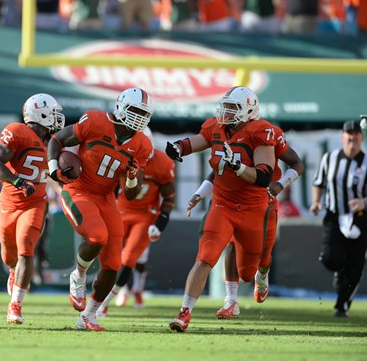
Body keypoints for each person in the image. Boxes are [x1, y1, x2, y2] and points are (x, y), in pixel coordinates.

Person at [164, 86, 276, 332]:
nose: (226, 111)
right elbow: (199, 141)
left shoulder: (261, 132)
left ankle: (258, 277)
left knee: (247, 272)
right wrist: (179, 147)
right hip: (222, 205)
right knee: (206, 256)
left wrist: (239, 168)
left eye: (233, 107)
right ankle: (184, 313)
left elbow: (264, 176)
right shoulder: (216, 127)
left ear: (248, 110)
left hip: (252, 209)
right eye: (226, 105)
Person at [47, 87, 153, 331]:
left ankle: (89, 316)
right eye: (135, 110)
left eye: (143, 113)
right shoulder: (95, 121)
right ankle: (79, 275)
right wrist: (54, 168)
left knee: (114, 264)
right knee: (97, 236)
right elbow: (57, 139)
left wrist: (131, 177)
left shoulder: (142, 144)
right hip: (78, 190)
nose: (138, 117)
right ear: (121, 107)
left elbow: (132, 194)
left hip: (107, 198)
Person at [187, 123, 304, 319]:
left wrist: (280, 184)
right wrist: (200, 194)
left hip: (264, 202)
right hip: (234, 203)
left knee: (263, 257)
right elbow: (218, 171)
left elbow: (297, 164)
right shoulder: (229, 135)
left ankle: (262, 275)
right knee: (231, 245)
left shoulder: (266, 134)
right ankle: (231, 300)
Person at [0, 93, 65, 325]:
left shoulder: (54, 141)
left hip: (35, 203)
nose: (57, 119)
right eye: (53, 113)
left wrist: (66, 192)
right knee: (9, 254)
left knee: (26, 249)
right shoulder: (18, 131)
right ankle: (14, 272)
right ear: (39, 114)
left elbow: (54, 175)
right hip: (10, 202)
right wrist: (18, 181)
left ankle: (15, 305)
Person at [96, 127, 175, 316]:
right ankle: (106, 293)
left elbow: (169, 197)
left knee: (129, 258)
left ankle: (104, 302)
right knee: (109, 257)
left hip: (145, 216)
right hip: (119, 211)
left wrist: (161, 222)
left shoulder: (162, 162)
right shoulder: (122, 155)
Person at [310, 119, 367, 317]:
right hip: (334, 215)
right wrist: (316, 202)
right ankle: (337, 269)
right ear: (342, 136)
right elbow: (318, 182)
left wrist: (364, 202)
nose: (352, 137)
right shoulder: (330, 158)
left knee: (355, 265)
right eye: (348, 133)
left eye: (356, 133)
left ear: (361, 136)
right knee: (330, 259)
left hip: (361, 218)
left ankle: (342, 305)